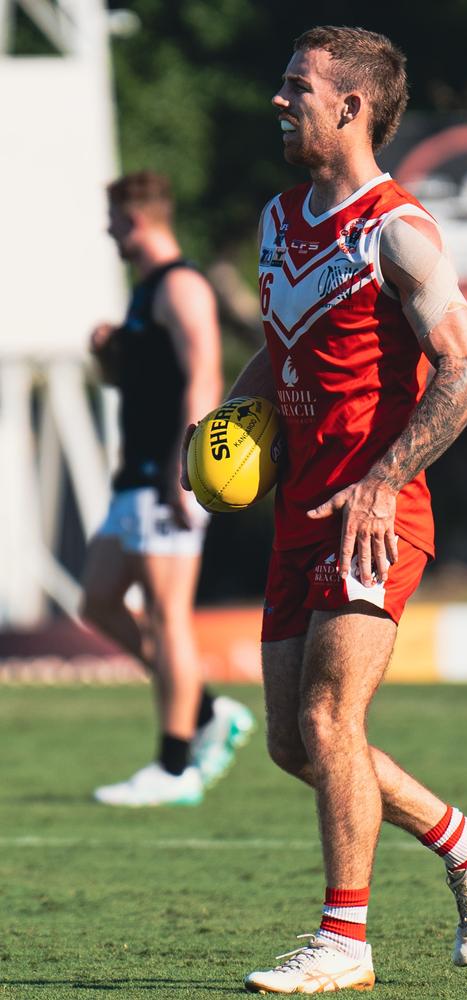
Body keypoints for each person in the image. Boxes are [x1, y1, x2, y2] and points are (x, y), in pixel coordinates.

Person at [183, 26, 467, 992]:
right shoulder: (277, 219)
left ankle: (345, 942)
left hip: (379, 514)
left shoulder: (399, 228)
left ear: (351, 107)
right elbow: (278, 352)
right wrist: (224, 423)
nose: (279, 101)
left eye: (298, 87)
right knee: (296, 740)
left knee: (333, 719)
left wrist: (381, 481)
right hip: (301, 512)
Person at [82, 170, 254, 808]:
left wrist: (190, 468)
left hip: (166, 477)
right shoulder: (143, 292)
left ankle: (175, 766)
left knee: (167, 615)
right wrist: (108, 352)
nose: (108, 232)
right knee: (97, 601)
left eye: (113, 220)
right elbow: (134, 382)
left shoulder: (181, 284)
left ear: (136, 219)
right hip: (134, 481)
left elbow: (205, 371)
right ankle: (208, 710)